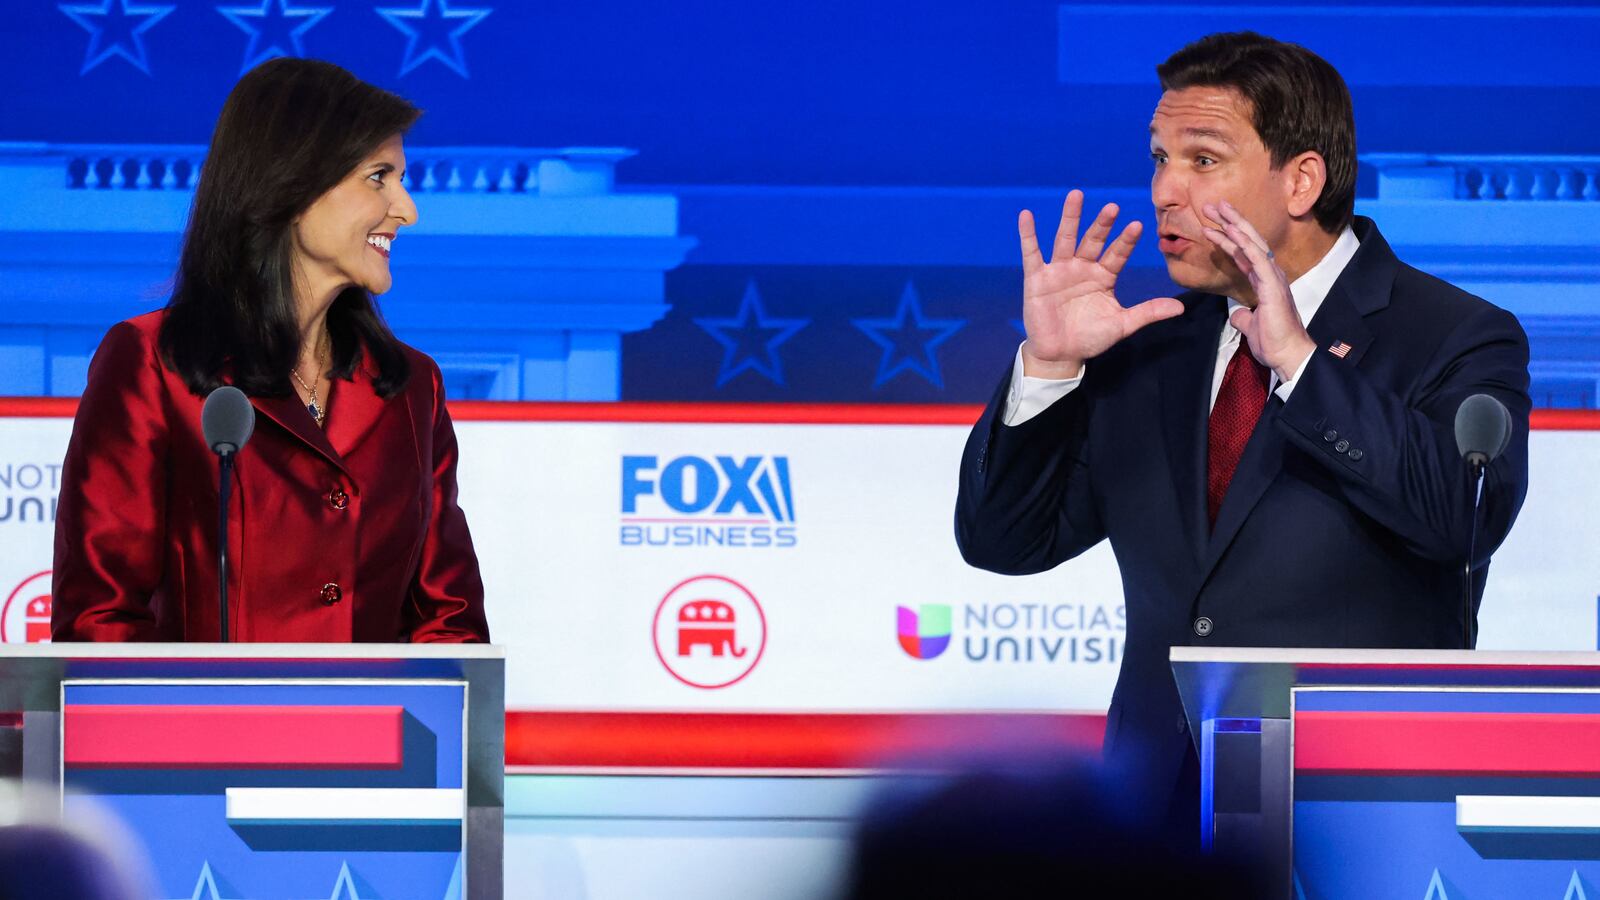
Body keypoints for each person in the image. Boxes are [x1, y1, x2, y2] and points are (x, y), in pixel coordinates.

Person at [954, 32, 1529, 839]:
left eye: (1202, 160)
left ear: (1301, 181)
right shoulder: (1149, 346)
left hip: (1358, 823)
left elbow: (1460, 521)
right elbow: (1004, 541)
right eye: (1158, 158)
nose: (1163, 190)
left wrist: (1297, 360)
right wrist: (1047, 369)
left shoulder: (1455, 334)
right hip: (1157, 823)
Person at [52, 58, 490, 643]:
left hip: (373, 733)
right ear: (295, 183)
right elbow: (99, 620)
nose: (407, 210)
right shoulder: (154, 362)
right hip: (194, 734)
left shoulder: (412, 385)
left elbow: (450, 623)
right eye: (379, 177)